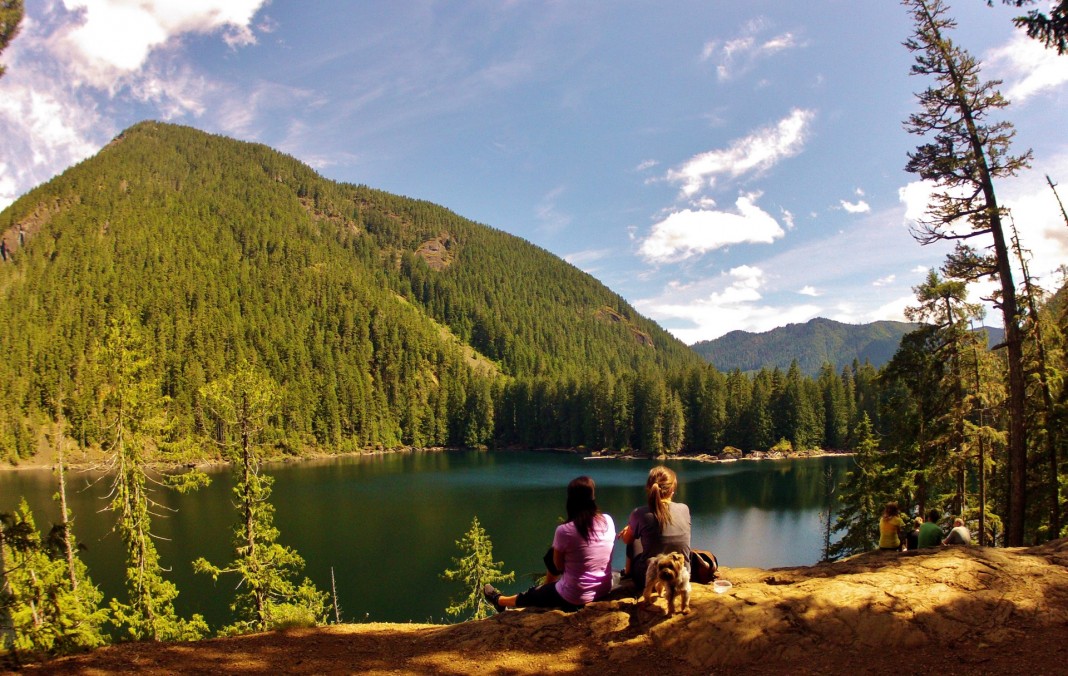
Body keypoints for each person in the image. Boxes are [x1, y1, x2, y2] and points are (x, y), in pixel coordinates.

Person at [483, 476, 614, 612]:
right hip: (604, 589)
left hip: (574, 596)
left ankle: (499, 600)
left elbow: (558, 566)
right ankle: (544, 591)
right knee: (557, 554)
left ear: (570, 500)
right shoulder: (608, 520)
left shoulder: (564, 530)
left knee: (533, 593)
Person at [619, 466, 692, 587]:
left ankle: (627, 574)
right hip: (681, 576)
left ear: (649, 488)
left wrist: (629, 529)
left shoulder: (639, 513)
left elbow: (627, 540)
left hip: (650, 579)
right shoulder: (684, 509)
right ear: (672, 490)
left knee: (634, 539)